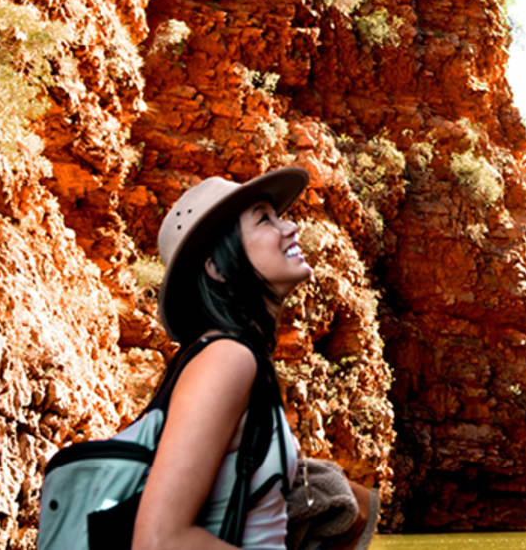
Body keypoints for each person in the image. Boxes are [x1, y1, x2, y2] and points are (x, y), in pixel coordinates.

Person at [130, 169, 368, 550]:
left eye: (278, 215)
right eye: (263, 219)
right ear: (217, 267)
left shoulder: (226, 356)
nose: (290, 227)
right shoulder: (227, 358)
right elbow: (159, 541)